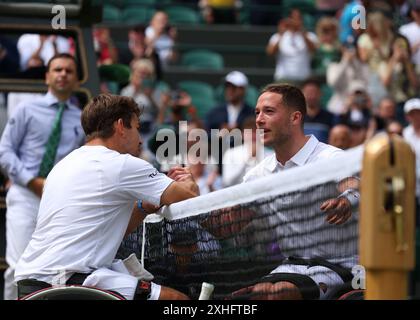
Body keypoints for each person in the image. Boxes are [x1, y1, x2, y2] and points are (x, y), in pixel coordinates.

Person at [14, 94, 200, 300]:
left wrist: (143, 207)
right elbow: (190, 196)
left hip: (29, 282)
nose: (140, 140)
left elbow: (104, 228)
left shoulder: (62, 166)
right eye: (137, 128)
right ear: (121, 126)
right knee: (178, 301)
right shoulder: (122, 165)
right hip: (66, 281)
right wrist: (188, 179)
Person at [239, 84, 359, 300]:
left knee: (279, 294)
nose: (258, 119)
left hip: (342, 268)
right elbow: (231, 221)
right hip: (290, 267)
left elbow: (354, 185)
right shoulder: (257, 175)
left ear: (295, 118)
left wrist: (347, 200)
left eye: (269, 111)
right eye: (257, 112)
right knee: (255, 296)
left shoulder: (331, 158)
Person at [0, 53, 85, 300]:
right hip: (25, 193)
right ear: (47, 76)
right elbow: (4, 151)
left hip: (59, 201)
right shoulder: (26, 109)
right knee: (18, 268)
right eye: (57, 69)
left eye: (69, 71)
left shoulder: (81, 118)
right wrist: (31, 180)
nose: (62, 74)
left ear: (77, 80)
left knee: (54, 271)